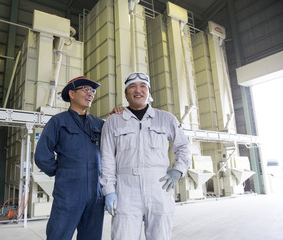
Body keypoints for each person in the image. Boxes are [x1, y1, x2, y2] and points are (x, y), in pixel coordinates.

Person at [100, 72, 191, 240]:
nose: (138, 90)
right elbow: (107, 160)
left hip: (159, 188)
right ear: (126, 94)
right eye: (132, 87)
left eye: (143, 86)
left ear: (149, 92)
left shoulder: (166, 119)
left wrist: (178, 170)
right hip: (126, 191)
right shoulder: (113, 122)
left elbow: (184, 146)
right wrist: (109, 191)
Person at [34, 76, 105, 240]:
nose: (90, 94)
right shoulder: (58, 122)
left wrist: (120, 113)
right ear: (72, 94)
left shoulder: (99, 123)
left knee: (92, 237)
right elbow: (42, 155)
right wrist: (63, 172)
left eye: (93, 91)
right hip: (69, 192)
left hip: (96, 192)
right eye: (86, 89)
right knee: (58, 235)